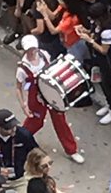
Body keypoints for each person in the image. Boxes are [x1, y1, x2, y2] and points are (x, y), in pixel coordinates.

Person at [15, 35, 84, 165]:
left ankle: (71, 150)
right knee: (35, 122)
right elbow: (18, 88)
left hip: (51, 92)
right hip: (35, 97)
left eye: (34, 48)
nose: (32, 51)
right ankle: (18, 141)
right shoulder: (22, 69)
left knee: (60, 121)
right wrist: (24, 105)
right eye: (29, 49)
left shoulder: (44, 55)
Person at [0, 110, 37, 180]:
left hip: (21, 177)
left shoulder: (24, 135)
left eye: (14, 126)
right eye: (8, 128)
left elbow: (36, 153)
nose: (13, 130)